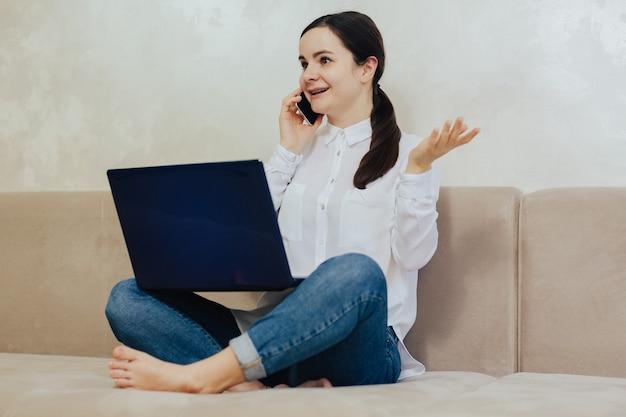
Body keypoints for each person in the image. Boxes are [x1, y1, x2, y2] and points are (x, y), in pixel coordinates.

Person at [105, 11, 479, 394]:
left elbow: (413, 256)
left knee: (355, 272)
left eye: (324, 60)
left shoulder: (412, 153)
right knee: (127, 297)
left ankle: (209, 375)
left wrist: (417, 169)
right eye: (304, 63)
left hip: (355, 348)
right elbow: (243, 244)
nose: (308, 74)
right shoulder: (297, 150)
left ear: (367, 68)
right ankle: (250, 384)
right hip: (273, 338)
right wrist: (287, 151)